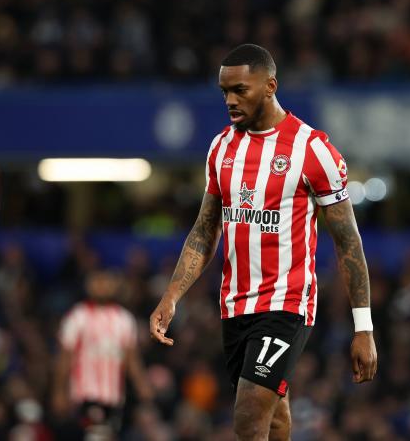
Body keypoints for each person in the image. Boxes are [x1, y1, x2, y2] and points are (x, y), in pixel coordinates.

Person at [149, 43, 377, 441]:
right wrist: (172, 295)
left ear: (270, 86)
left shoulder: (312, 149)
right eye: (224, 91)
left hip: (286, 304)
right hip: (235, 304)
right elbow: (206, 229)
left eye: (240, 90)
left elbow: (348, 242)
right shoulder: (221, 148)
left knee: (249, 416)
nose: (230, 100)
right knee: (273, 418)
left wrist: (364, 327)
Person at [53, 269, 152, 439]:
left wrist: (142, 385)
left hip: (113, 395)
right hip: (84, 393)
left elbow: (131, 359)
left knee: (108, 434)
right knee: (94, 435)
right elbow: (64, 357)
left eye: (105, 281)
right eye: (96, 281)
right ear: (88, 286)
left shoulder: (124, 319)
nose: (101, 286)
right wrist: (59, 390)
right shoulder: (78, 316)